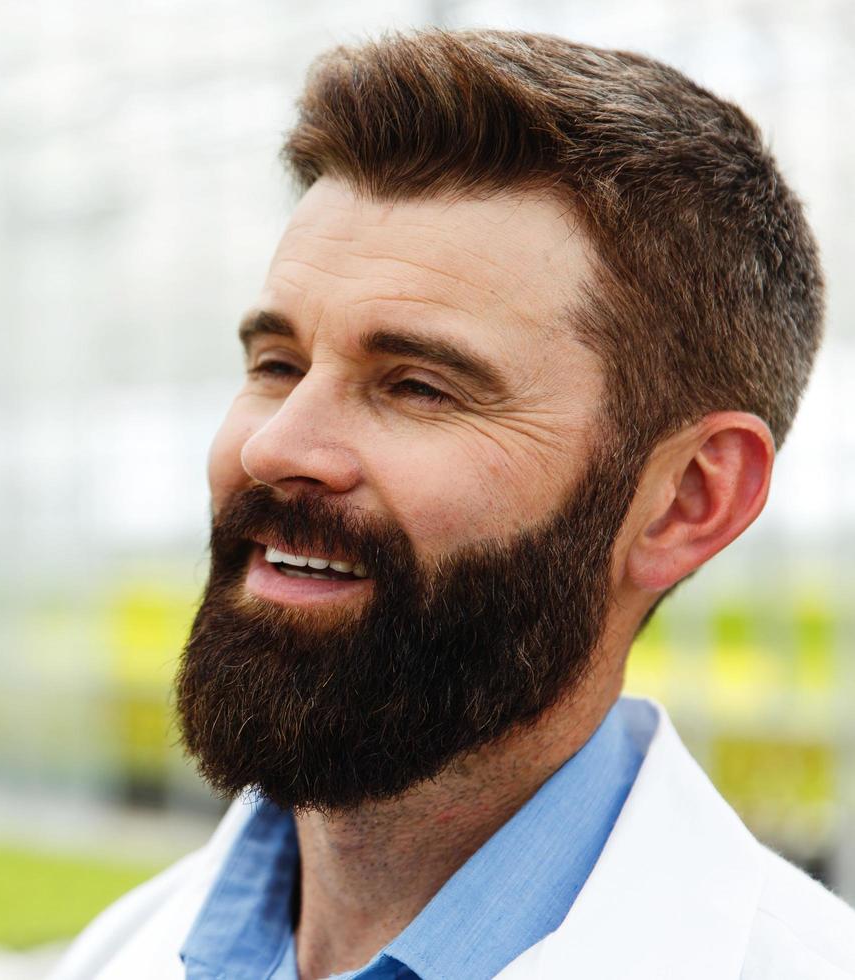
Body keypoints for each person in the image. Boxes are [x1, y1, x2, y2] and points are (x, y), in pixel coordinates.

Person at [50, 27, 855, 980]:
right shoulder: (125, 950)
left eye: (418, 386)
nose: (273, 448)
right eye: (277, 364)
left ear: (686, 501)